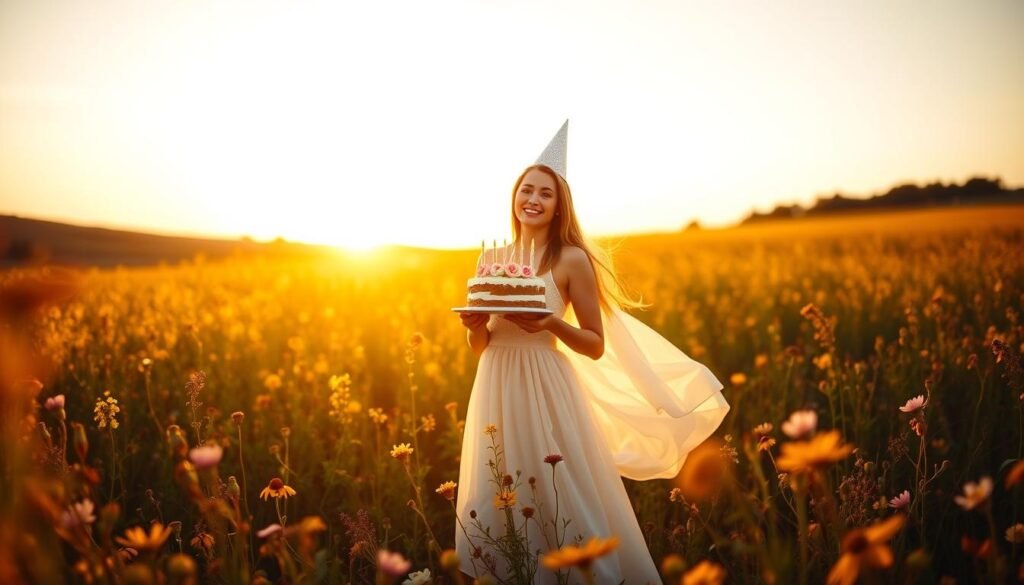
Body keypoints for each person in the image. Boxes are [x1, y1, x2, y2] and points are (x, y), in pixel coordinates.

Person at [454, 137, 729, 584]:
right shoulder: (491, 258)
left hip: (545, 382)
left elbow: (594, 344)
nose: (533, 199)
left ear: (559, 207)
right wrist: (473, 327)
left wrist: (550, 324)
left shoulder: (570, 259)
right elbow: (481, 345)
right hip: (494, 381)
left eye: (546, 193)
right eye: (527, 189)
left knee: (559, 489)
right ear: (514, 197)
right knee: (499, 487)